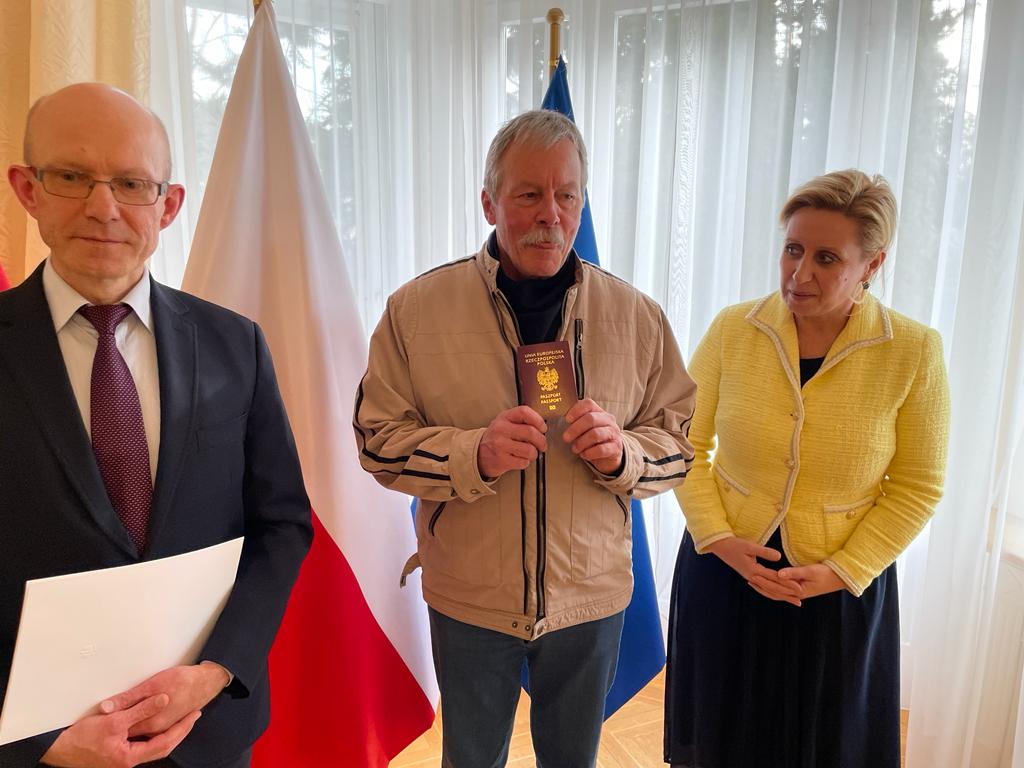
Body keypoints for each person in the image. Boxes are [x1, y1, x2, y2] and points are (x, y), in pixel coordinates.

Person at [354, 109, 696, 767]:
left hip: (590, 597)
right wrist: (471, 452)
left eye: (567, 194)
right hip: (471, 596)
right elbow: (375, 439)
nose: (552, 213)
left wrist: (628, 454)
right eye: (529, 194)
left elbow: (679, 441)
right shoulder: (415, 311)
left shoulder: (638, 317)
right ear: (489, 201)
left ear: (582, 200)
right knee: (472, 759)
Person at [0, 83, 312, 768]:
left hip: (205, 735)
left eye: (132, 183)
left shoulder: (238, 345)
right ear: (28, 189)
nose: (102, 207)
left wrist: (216, 672)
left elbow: (283, 525)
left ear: (167, 205)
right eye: (71, 177)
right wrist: (38, 742)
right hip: (37, 748)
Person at [663, 169, 951, 767]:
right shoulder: (733, 329)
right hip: (724, 572)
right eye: (793, 250)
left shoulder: (914, 351)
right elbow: (683, 445)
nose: (800, 273)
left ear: (871, 264)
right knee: (721, 744)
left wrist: (841, 571)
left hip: (837, 592)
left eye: (826, 258)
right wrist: (719, 540)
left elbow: (918, 487)